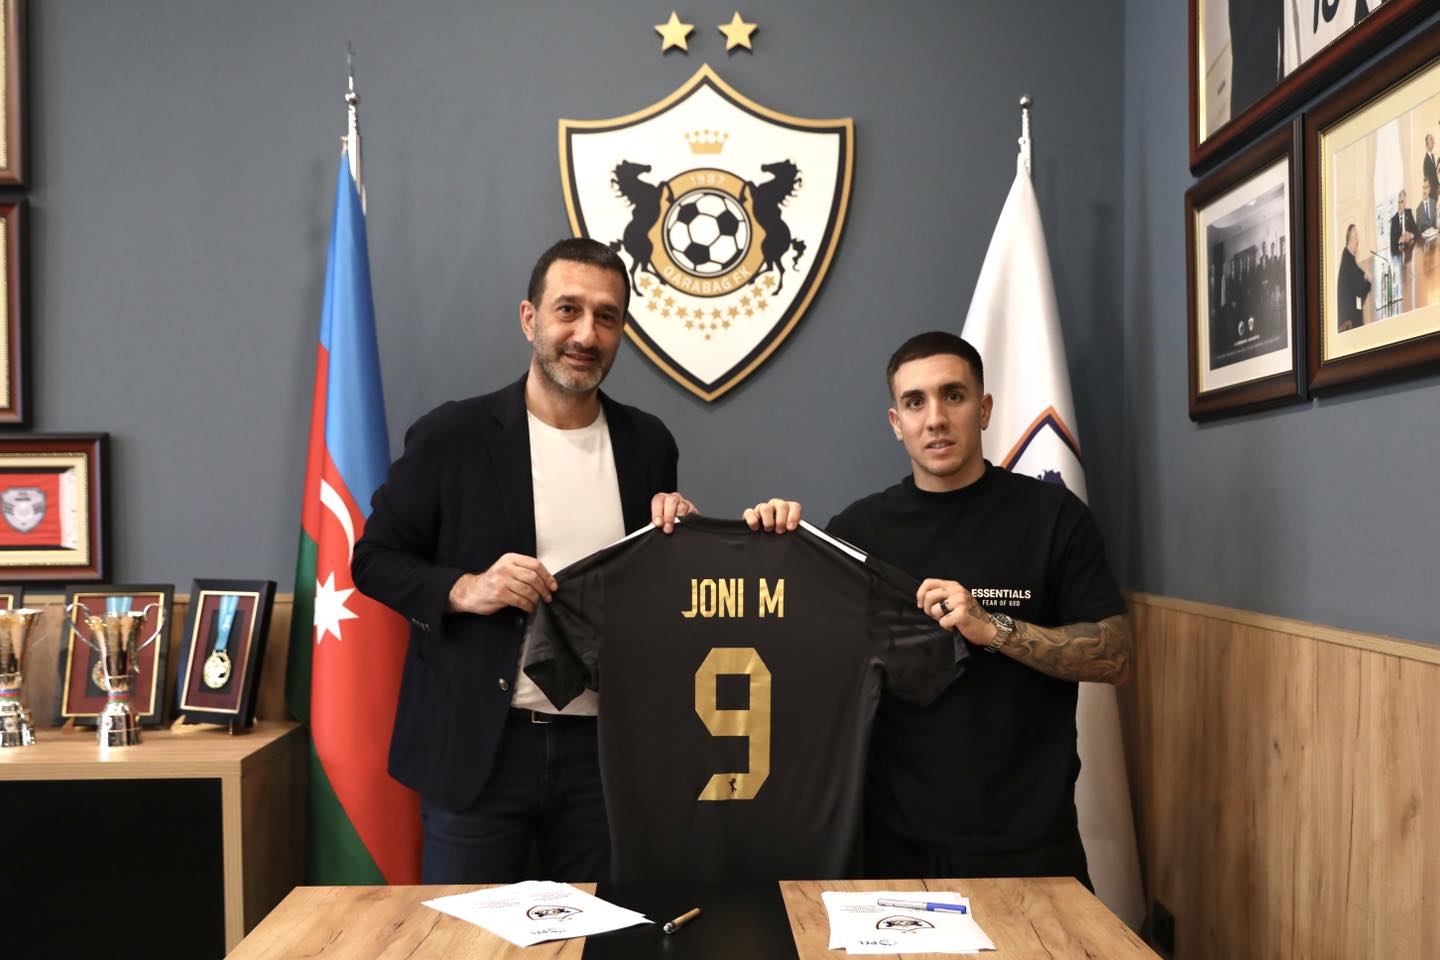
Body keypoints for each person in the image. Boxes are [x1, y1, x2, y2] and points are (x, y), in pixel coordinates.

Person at [351, 237, 696, 883]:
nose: (586, 334)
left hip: (604, 757)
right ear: (529, 318)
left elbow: (651, 598)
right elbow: (372, 560)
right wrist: (464, 588)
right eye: (568, 310)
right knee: (470, 935)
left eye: (606, 317)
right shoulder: (451, 436)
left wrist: (680, 544)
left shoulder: (649, 444)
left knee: (600, 931)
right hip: (479, 752)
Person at [821, 331, 1131, 885]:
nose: (935, 419)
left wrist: (992, 627)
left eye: (953, 395)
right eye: (915, 402)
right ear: (896, 422)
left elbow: (1117, 655)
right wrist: (772, 536)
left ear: (984, 409)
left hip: (1032, 845)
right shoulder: (857, 532)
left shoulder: (1052, 517)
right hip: (895, 845)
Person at [1337, 223, 1371, 332]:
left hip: (1352, 310)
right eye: (1356, 235)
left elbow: (1357, 270)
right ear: (1350, 239)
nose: (1358, 239)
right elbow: (1360, 290)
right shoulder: (1347, 259)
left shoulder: (1348, 255)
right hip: (1348, 320)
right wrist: (1368, 282)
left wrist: (1364, 274)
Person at [1390, 189, 1417, 254]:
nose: (1399, 205)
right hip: (1399, 252)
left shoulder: (1409, 213)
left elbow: (1416, 231)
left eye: (1401, 202)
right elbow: (1392, 244)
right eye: (1398, 202)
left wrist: (1410, 235)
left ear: (1405, 203)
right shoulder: (1394, 220)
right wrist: (1400, 240)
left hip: (1410, 250)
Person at [1423, 133, 1438, 206]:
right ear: (1427, 143)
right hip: (1431, 195)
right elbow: (1427, 181)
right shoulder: (1426, 161)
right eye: (1431, 139)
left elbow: (1434, 175)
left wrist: (1438, 185)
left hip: (1435, 193)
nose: (1433, 142)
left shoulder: (1432, 156)